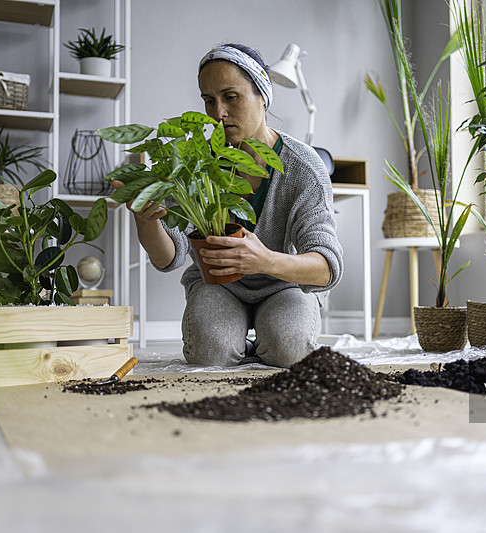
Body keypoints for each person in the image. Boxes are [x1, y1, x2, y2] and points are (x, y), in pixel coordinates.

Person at [112, 43, 343, 368]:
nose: (217, 112)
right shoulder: (195, 165)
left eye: (231, 97)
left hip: (284, 284)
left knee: (290, 349)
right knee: (209, 353)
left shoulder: (303, 169)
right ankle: (241, 343)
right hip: (216, 284)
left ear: (263, 95)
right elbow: (170, 258)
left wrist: (264, 260)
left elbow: (327, 268)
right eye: (209, 100)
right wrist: (145, 220)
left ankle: (262, 341)